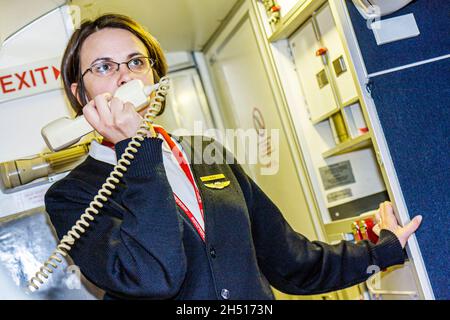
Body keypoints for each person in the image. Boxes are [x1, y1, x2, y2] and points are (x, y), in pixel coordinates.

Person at [44, 13, 422, 300]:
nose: (126, 78)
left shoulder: (205, 154)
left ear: (155, 77)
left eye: (137, 62)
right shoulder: (71, 196)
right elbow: (153, 277)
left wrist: (382, 249)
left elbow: (291, 261)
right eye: (104, 67)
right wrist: (135, 151)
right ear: (80, 94)